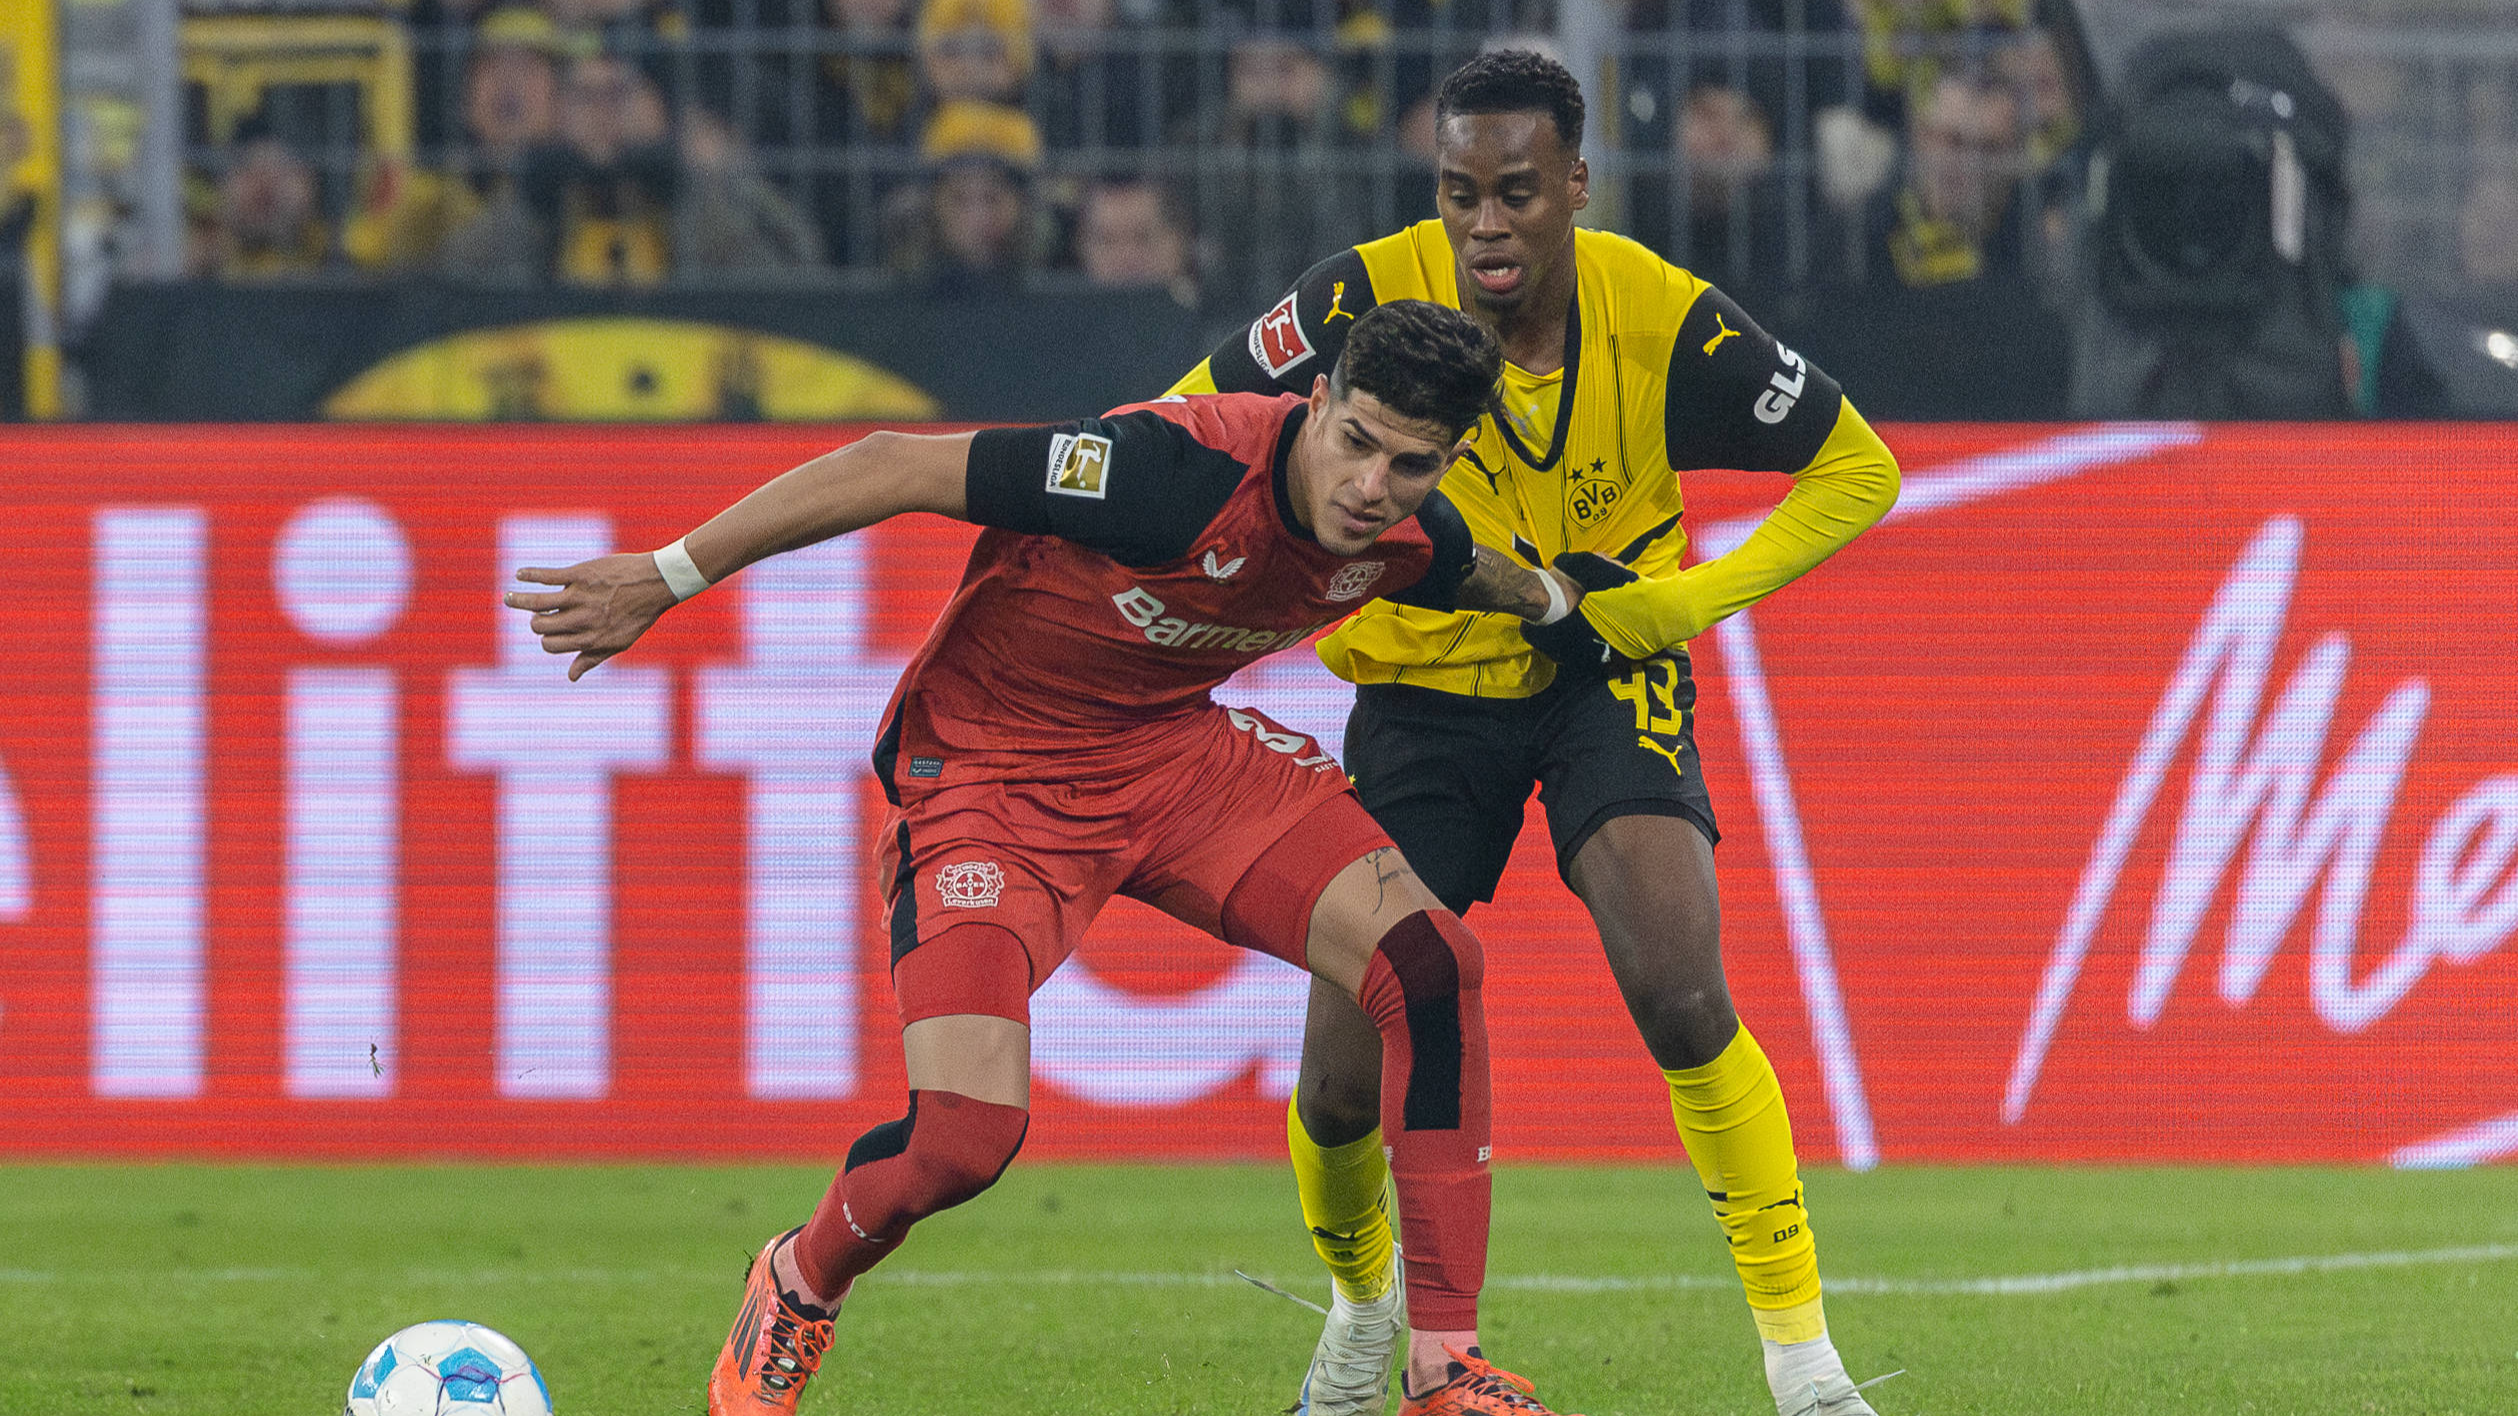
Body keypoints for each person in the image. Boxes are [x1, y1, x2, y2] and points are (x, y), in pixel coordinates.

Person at [503, 301, 1589, 1416]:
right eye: (1354, 441)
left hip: (1176, 761)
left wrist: (1564, 603)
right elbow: (889, 464)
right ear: (1315, 404)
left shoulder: (1411, 535)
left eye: (1410, 465)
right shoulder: (1159, 472)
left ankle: (1444, 1364)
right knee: (964, 1140)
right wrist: (668, 575)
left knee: (1428, 962)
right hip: (989, 773)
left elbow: (1479, 577)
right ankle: (797, 1277)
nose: (1371, 486)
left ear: (1448, 460)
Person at [1166, 50, 1902, 1416]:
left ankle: (1803, 1368)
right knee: (1336, 1085)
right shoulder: (1355, 297)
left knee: (1681, 988)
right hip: (1417, 693)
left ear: (1575, 185)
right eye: (1459, 196)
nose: (1486, 227)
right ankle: (1358, 1312)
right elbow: (1187, 428)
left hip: (1599, 672)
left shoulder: (1664, 315)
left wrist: (1658, 611)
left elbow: (1857, 469)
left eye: (1515, 193)